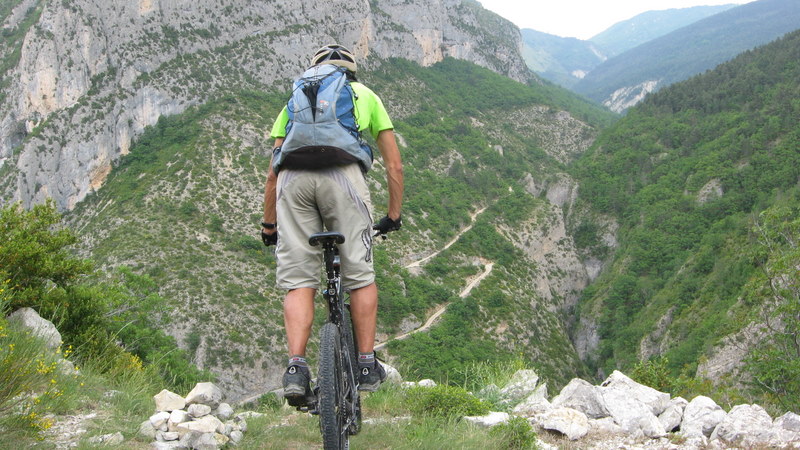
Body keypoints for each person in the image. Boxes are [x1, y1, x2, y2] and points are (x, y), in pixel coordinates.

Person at [260, 44, 404, 406]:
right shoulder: (364, 95)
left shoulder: (295, 99)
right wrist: (393, 215)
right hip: (343, 180)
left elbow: (271, 174)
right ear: (350, 73)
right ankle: (367, 364)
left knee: (298, 282)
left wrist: (268, 225)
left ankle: (296, 367)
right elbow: (394, 165)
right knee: (360, 275)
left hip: (293, 181)